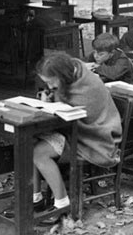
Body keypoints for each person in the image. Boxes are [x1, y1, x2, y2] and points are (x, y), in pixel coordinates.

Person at [32, 53, 122, 224]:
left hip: (95, 138)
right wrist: (50, 97)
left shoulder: (89, 85)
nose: (49, 85)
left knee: (39, 153)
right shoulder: (71, 76)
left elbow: (76, 115)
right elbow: (64, 101)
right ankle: (36, 198)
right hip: (73, 132)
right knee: (28, 143)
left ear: (62, 75)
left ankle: (62, 204)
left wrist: (51, 104)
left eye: (51, 82)